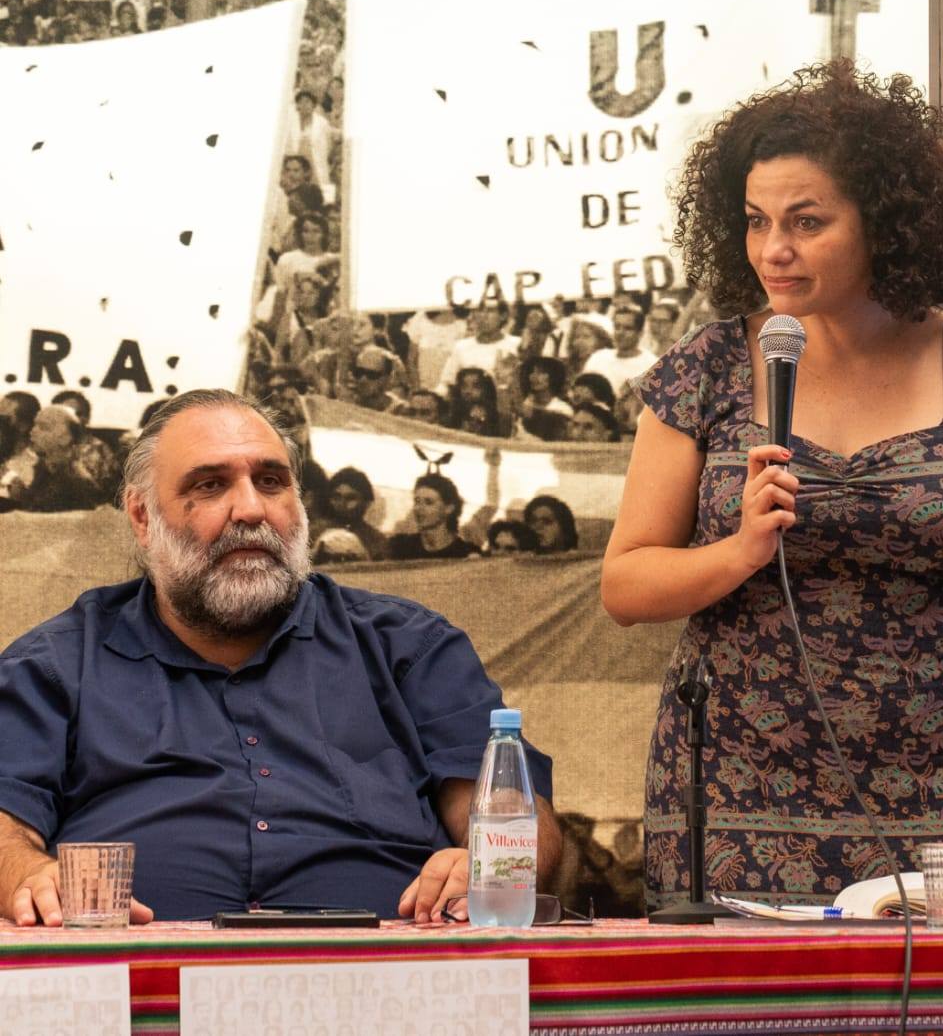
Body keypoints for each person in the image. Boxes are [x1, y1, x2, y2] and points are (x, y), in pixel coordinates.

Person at [601, 61, 943, 908]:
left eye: (807, 222)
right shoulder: (706, 369)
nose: (774, 250)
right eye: (756, 222)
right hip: (743, 781)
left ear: (886, 225)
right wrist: (739, 551)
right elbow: (624, 585)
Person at [0, 390, 560, 924]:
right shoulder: (58, 664)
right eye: (210, 485)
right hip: (134, 979)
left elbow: (519, 824)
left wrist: (487, 866)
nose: (251, 509)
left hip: (397, 978)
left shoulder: (410, 649)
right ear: (143, 517)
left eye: (271, 481)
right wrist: (28, 874)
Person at [387, 472, 478, 561]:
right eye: (417, 501)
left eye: (428, 502)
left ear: (449, 508)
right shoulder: (400, 547)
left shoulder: (466, 554)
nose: (419, 508)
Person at [579, 303, 657, 396]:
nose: (620, 333)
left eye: (628, 328)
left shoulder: (652, 365)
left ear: (640, 333)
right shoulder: (597, 358)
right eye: (617, 327)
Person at [312, 465, 387, 560]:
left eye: (350, 498)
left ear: (367, 503)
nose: (342, 503)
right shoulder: (313, 532)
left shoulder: (376, 540)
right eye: (336, 497)